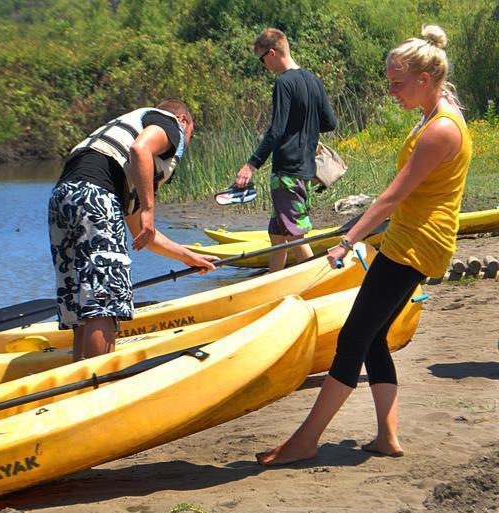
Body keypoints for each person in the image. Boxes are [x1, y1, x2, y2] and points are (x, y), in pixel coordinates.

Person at [256, 25, 472, 466]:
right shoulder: (438, 113)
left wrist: (348, 239)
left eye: (398, 83)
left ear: (425, 78)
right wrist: (360, 229)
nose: (391, 91)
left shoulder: (441, 129)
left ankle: (305, 440)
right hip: (410, 238)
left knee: (353, 336)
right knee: (372, 337)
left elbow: (394, 195)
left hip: (414, 245)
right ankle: (387, 437)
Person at [48, 100, 218, 360]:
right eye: (190, 136)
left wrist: (188, 257)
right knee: (103, 303)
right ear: (184, 120)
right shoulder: (169, 123)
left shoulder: (114, 163)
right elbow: (140, 150)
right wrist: (150, 208)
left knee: (82, 305)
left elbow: (144, 235)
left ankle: (80, 382)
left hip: (63, 198)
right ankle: (100, 382)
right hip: (95, 196)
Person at [234, 28, 338, 272]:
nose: (263, 65)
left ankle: (323, 279)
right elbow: (329, 123)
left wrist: (251, 165)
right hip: (305, 170)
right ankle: (274, 280)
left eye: (262, 59)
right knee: (278, 235)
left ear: (272, 53)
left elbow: (276, 129)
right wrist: (304, 127)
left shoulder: (284, 82)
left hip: (287, 171)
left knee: (294, 235)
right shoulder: (313, 81)